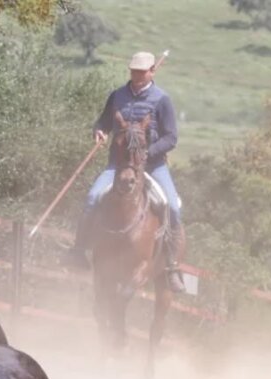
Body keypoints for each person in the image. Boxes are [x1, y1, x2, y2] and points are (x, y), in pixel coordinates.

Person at [66, 50, 185, 292]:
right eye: (134, 71)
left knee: (172, 206)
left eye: (142, 72)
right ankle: (79, 251)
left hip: (153, 165)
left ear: (152, 71)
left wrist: (147, 153)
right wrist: (99, 131)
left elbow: (171, 137)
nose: (137, 75)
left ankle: (172, 266)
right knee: (91, 198)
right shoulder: (117, 96)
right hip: (117, 165)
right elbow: (103, 122)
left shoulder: (162, 100)